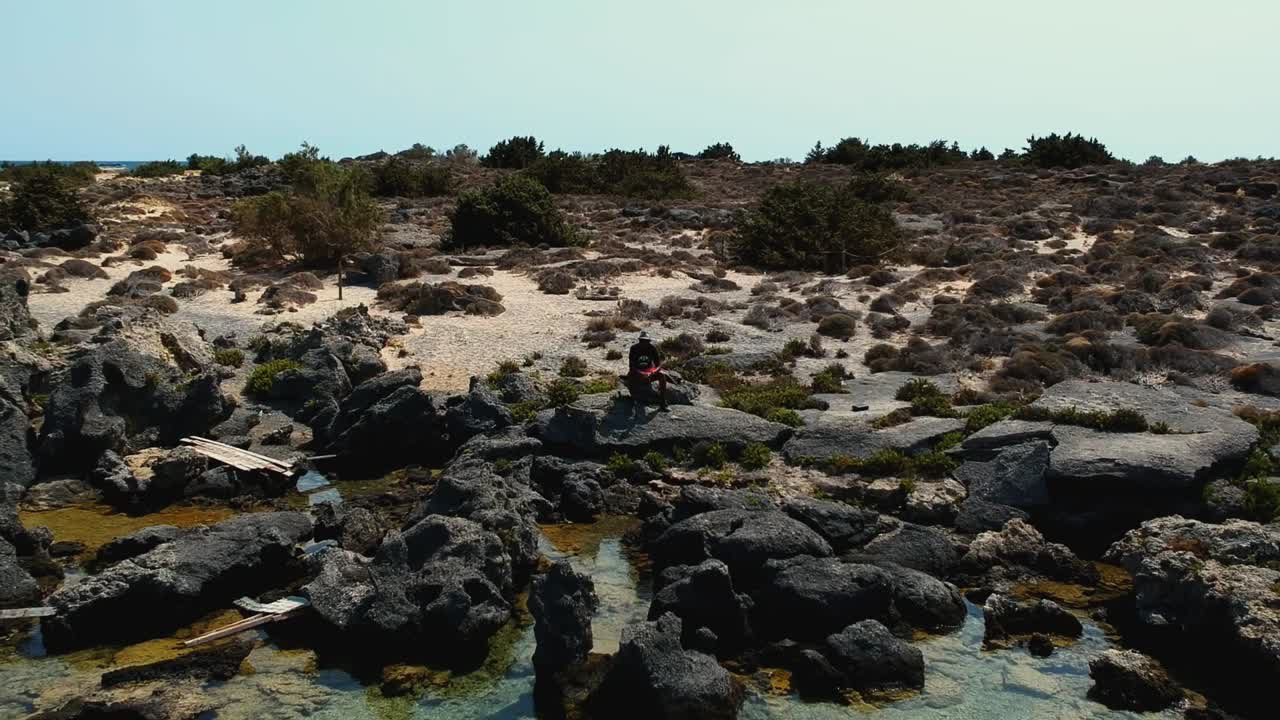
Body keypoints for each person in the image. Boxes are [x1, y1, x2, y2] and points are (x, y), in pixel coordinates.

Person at [626, 331, 670, 411]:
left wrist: (653, 372)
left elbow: (658, 364)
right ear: (639, 340)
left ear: (649, 341)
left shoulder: (652, 348)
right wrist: (641, 373)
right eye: (642, 340)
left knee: (662, 376)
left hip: (649, 373)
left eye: (646, 341)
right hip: (637, 373)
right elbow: (632, 366)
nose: (644, 342)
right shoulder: (634, 348)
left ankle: (663, 401)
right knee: (631, 377)